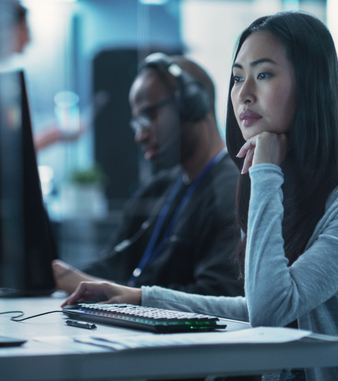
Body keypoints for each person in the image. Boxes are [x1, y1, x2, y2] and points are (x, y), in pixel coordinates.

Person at [62, 12, 338, 381]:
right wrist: (142, 299)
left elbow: (270, 312)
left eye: (263, 74)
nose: (244, 93)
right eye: (237, 78)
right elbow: (256, 306)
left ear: (310, 85)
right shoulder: (273, 185)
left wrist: (265, 173)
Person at [52, 54, 243, 297]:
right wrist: (58, 276)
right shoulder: (160, 188)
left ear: (192, 105)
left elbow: (216, 296)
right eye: (137, 124)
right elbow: (116, 264)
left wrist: (126, 295)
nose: (140, 136)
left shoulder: (230, 192)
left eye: (148, 116)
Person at [0, 0, 82, 150]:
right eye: (24, 29)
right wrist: (56, 134)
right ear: (5, 30)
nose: (29, 37)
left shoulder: (2, 75)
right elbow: (11, 150)